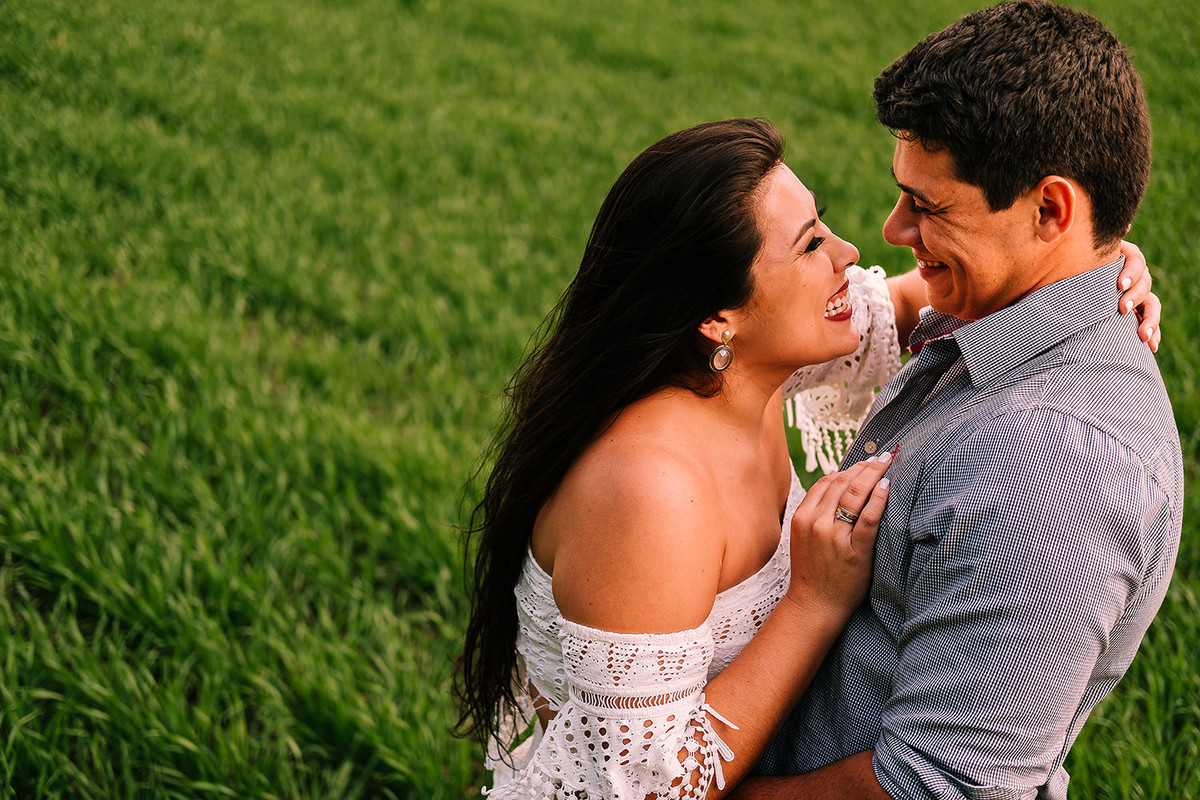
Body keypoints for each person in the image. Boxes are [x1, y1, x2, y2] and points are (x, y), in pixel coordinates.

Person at [456, 116, 1158, 797]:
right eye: (809, 244)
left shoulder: (745, 368)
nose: (850, 252)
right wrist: (812, 604)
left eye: (821, 224)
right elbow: (644, 789)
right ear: (717, 316)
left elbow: (921, 299)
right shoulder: (652, 492)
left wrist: (1091, 263)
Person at [739, 3, 1183, 799]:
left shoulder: (1052, 465)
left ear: (1050, 210)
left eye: (930, 207)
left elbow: (933, 789)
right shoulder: (1006, 309)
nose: (892, 227)